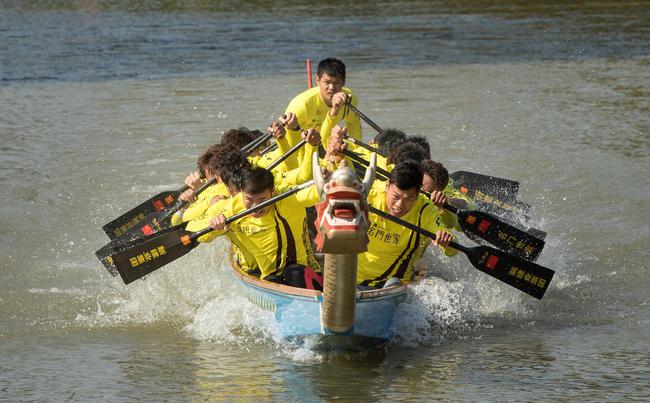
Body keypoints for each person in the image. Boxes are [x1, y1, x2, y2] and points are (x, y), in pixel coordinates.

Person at [185, 166, 323, 288]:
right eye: (249, 200)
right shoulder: (233, 207)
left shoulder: (285, 197)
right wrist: (215, 224)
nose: (255, 207)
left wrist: (330, 182)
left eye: (262, 200)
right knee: (273, 279)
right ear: (241, 192)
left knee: (294, 272)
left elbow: (315, 194)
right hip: (270, 278)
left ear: (272, 191)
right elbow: (199, 234)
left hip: (305, 272)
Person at [357, 159, 458, 288]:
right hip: (348, 275)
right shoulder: (370, 191)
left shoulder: (425, 209)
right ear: (387, 186)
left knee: (393, 283)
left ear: (417, 195)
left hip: (389, 286)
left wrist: (446, 240)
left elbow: (453, 250)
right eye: (396, 196)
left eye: (408, 199)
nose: (399, 205)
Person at [281, 57, 362, 168]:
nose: (331, 88)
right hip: (302, 153)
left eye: (336, 82)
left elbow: (354, 127)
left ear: (344, 82)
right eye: (327, 82)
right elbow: (286, 142)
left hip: (329, 151)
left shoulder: (349, 100)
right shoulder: (301, 105)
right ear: (317, 81)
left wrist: (353, 153)